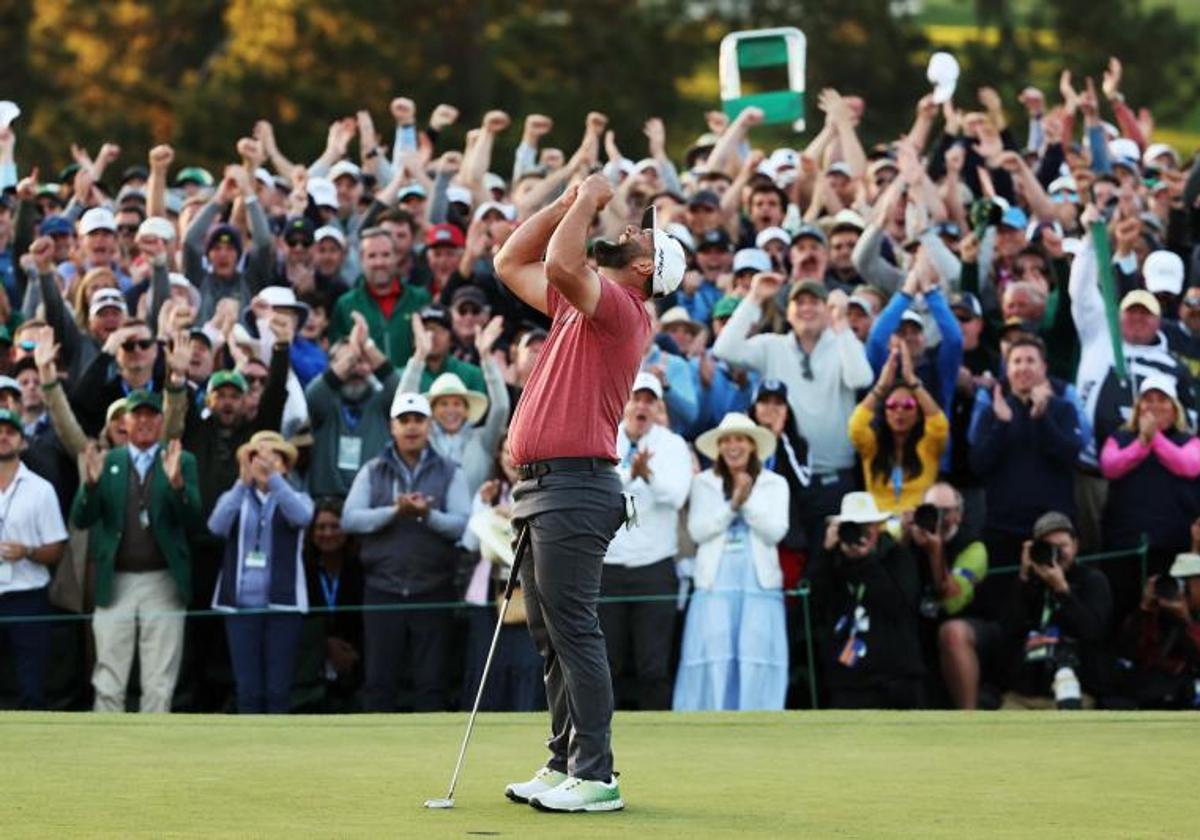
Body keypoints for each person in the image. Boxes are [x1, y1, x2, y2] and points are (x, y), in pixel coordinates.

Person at [493, 167, 684, 812]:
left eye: (643, 238)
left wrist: (594, 198)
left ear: (646, 273)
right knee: (551, 634)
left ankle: (598, 774)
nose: (630, 230)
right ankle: (564, 761)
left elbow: (558, 259)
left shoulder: (623, 312)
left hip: (576, 485)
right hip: (544, 487)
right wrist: (565, 202)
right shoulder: (583, 306)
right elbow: (510, 259)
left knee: (574, 630)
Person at [713, 270, 874, 551]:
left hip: (834, 478)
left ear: (827, 310)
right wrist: (754, 298)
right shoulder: (771, 346)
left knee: (834, 560)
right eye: (799, 302)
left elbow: (861, 379)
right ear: (788, 312)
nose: (807, 308)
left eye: (815, 301)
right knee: (791, 564)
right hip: (783, 480)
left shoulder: (844, 344)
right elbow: (725, 349)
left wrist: (842, 322)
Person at [71, 390, 202, 712]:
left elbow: (195, 521)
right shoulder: (109, 461)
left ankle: (152, 753)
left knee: (159, 678)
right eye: (136, 415)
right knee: (108, 676)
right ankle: (107, 751)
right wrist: (89, 487)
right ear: (124, 422)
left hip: (163, 579)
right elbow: (81, 519)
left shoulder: (181, 459)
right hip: (116, 580)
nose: (144, 421)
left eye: (151, 415)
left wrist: (178, 487)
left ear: (161, 421)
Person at [340, 391, 469, 712]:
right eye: (404, 421)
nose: (411, 427)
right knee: (379, 682)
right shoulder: (373, 469)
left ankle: (434, 757)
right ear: (392, 427)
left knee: (431, 683)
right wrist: (393, 512)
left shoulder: (450, 470)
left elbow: (461, 524)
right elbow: (350, 519)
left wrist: (427, 514)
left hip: (434, 589)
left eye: (418, 420)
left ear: (429, 426)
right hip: (383, 589)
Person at [674, 412, 789, 711]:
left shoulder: (776, 484)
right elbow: (698, 531)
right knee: (714, 654)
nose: (732, 446)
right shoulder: (703, 483)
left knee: (756, 654)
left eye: (739, 439)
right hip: (714, 582)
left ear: (752, 445)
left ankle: (760, 723)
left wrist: (745, 502)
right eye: (726, 441)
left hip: (759, 583)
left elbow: (775, 531)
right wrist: (732, 505)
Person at [602, 373, 691, 711]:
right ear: (623, 402)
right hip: (608, 567)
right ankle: (599, 740)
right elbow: (599, 491)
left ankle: (660, 739)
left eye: (649, 400)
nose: (641, 405)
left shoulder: (673, 445)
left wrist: (648, 477)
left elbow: (678, 495)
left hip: (654, 567)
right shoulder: (604, 439)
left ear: (657, 408)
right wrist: (630, 475)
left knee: (653, 665)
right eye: (636, 398)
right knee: (606, 665)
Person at [208, 431, 314, 713]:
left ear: (286, 465)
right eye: (258, 456)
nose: (265, 462)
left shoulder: (298, 497)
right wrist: (242, 482)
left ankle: (277, 752)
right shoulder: (236, 496)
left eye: (274, 456)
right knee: (248, 689)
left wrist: (275, 481)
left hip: (284, 606)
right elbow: (217, 526)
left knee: (278, 689)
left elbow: (302, 517)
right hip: (241, 607)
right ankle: (248, 752)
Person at [969, 336, 1082, 588]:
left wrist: (1042, 418)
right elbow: (979, 465)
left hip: (1053, 530)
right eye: (1016, 361)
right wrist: (1001, 424)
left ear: (1044, 368)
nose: (1023, 367)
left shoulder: (1063, 409)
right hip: (1003, 530)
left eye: (1030, 360)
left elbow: (1069, 455)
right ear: (1007, 370)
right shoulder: (992, 412)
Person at [808, 491, 925, 709]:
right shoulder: (832, 563)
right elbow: (812, 605)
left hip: (896, 679)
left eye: (868, 525)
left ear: (878, 527)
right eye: (854, 526)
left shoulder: (897, 556)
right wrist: (825, 553)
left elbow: (900, 606)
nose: (862, 533)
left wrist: (865, 563)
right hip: (848, 682)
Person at [1099, 376, 1200, 622]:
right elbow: (1110, 466)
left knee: (1169, 613)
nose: (1154, 406)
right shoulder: (1119, 438)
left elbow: (1188, 465)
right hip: (1125, 544)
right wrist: (1141, 443)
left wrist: (1153, 438)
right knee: (1124, 609)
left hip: (1172, 546)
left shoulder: (1190, 441)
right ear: (1138, 407)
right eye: (1148, 400)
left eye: (1162, 400)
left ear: (1174, 406)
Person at [461, 434, 545, 712]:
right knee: (488, 667)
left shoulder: (543, 493)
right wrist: (484, 508)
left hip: (533, 592)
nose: (511, 458)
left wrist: (515, 518)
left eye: (517, 451)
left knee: (528, 666)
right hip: (491, 594)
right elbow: (470, 544)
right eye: (505, 451)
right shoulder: (488, 493)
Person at [996, 512, 1112, 710]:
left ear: (1075, 546)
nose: (1057, 554)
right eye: (1049, 547)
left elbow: (1093, 631)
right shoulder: (1029, 583)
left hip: (1074, 689)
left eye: (1063, 546)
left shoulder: (1092, 580)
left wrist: (1062, 590)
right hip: (1025, 691)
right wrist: (1024, 577)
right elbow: (1007, 628)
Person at [0, 408, 69, 709]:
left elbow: (57, 549)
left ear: (23, 442)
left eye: (10, 432)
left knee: (32, 687)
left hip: (28, 597)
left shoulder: (41, 490)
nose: (3, 437)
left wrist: (27, 552)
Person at [906, 483, 990, 708]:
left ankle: (968, 718)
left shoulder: (974, 548)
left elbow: (952, 603)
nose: (940, 518)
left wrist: (936, 552)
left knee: (951, 633)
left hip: (970, 625)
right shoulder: (910, 535)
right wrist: (903, 538)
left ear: (960, 515)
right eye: (933, 511)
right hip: (920, 627)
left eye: (947, 512)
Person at [849, 344, 949, 515]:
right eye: (892, 405)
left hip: (916, 527)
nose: (899, 412)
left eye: (908, 405)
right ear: (884, 412)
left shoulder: (928, 445)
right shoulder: (872, 445)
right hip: (878, 530)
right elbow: (855, 427)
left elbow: (939, 425)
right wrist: (880, 387)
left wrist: (912, 381)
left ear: (918, 413)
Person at [329, 227, 431, 368]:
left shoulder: (420, 299)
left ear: (396, 257)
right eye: (372, 256)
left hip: (413, 385)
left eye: (385, 255)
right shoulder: (346, 304)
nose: (379, 263)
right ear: (361, 260)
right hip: (366, 387)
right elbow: (337, 355)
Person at [1114, 552, 1200, 709]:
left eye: (1189, 581)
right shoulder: (1157, 612)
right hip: (1159, 687)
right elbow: (1130, 651)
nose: (1182, 589)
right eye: (1179, 582)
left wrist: (1186, 621)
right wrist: (1144, 609)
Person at [302, 496, 364, 712]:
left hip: (355, 657)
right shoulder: (303, 569)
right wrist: (325, 645)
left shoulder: (360, 568)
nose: (328, 533)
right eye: (320, 527)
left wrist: (351, 651)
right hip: (312, 659)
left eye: (335, 526)